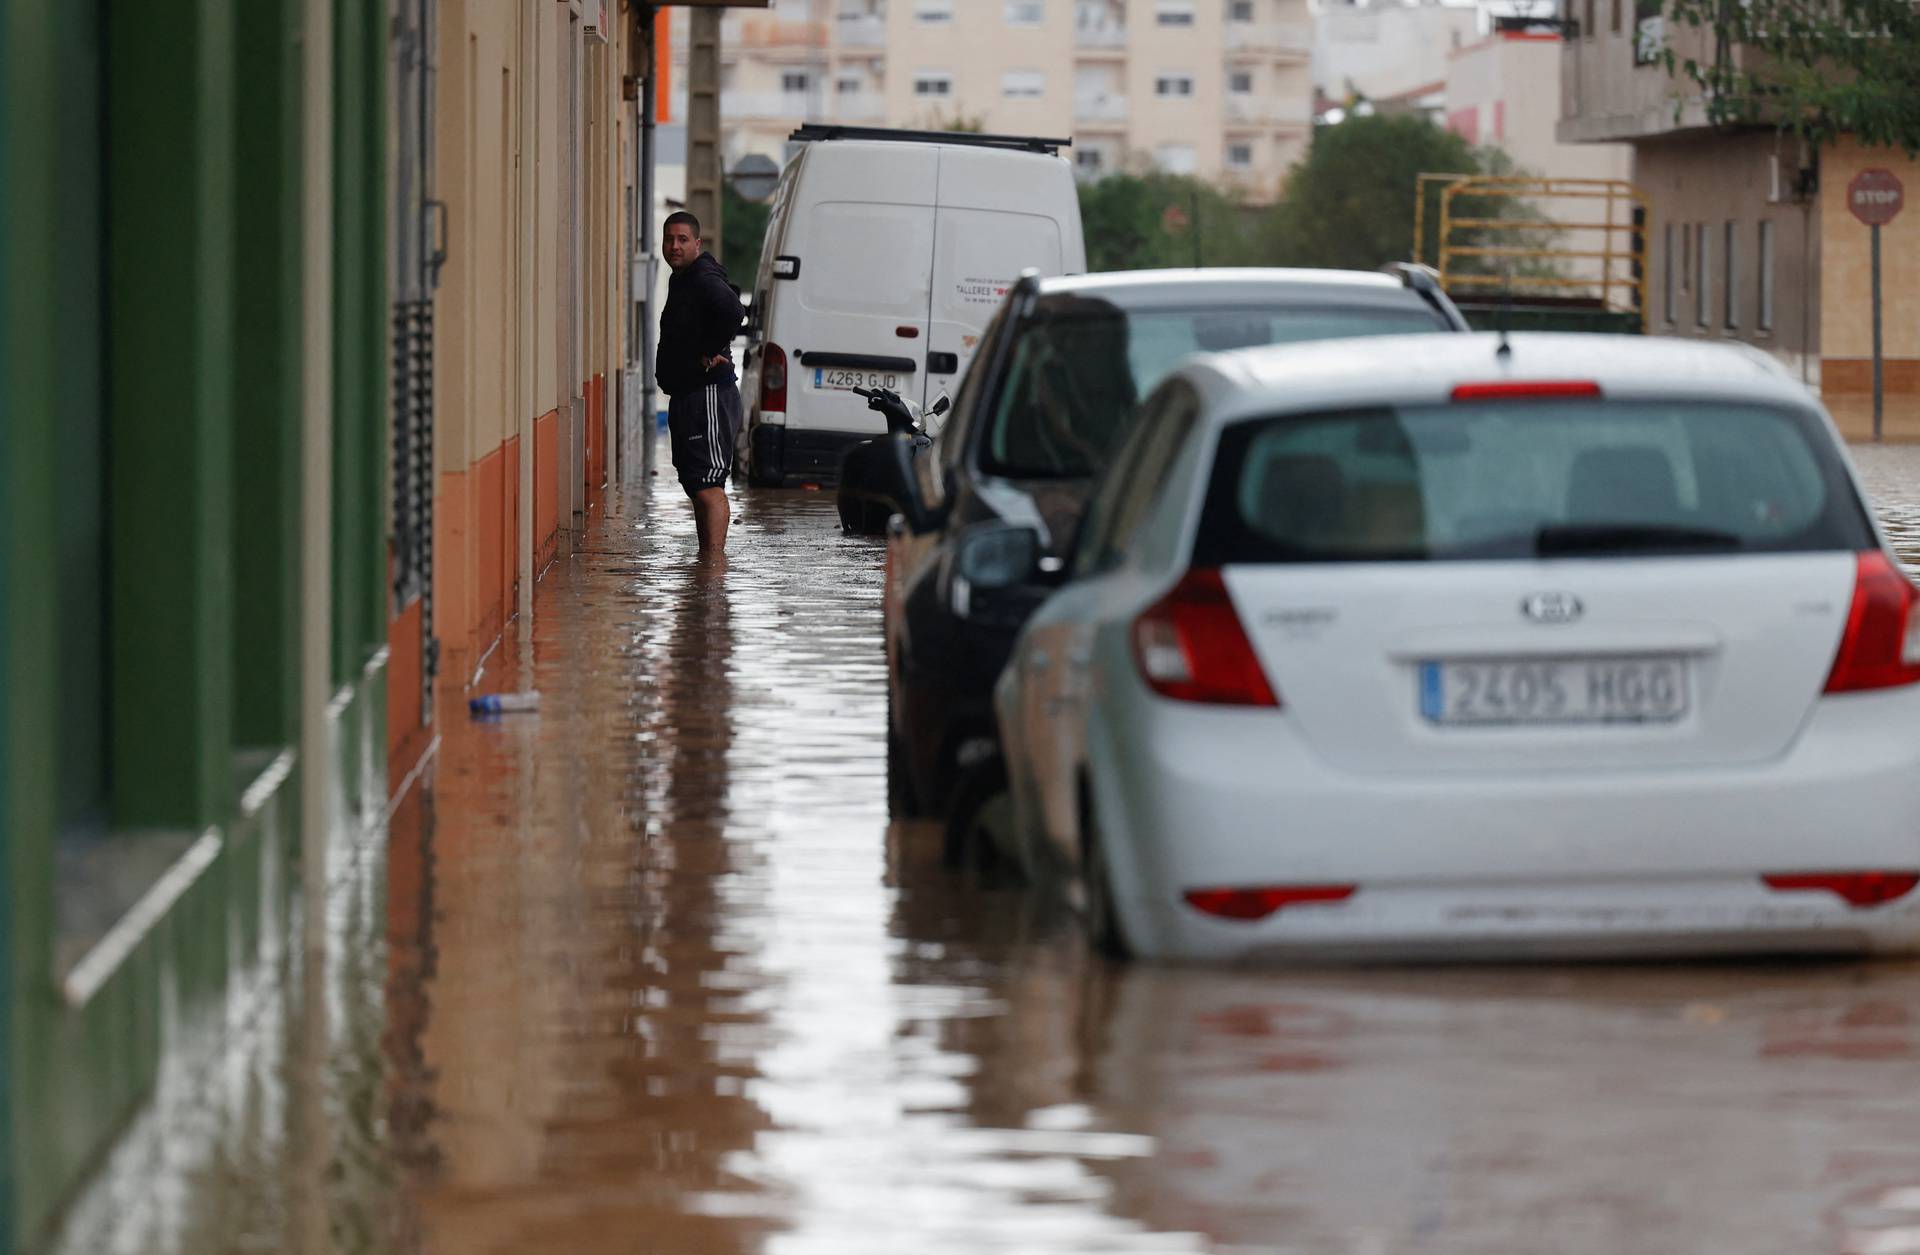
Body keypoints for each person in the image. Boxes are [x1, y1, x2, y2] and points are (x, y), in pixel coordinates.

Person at [657, 210, 743, 553]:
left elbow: (734, 311)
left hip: (707, 393)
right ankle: (705, 562)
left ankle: (714, 567)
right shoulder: (683, 277)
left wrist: (709, 350)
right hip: (688, 394)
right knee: (697, 482)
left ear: (697, 243)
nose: (674, 246)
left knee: (709, 485)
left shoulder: (702, 276)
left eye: (682, 239)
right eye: (669, 239)